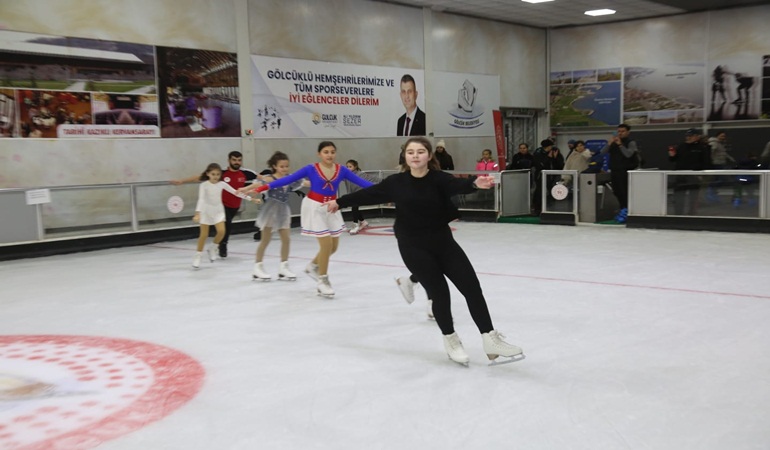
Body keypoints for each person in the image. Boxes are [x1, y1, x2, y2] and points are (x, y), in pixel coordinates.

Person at [325, 136, 524, 366]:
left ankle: (490, 338)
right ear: (405, 156)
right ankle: (451, 339)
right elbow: (368, 194)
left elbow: (458, 184)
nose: (415, 156)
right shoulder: (396, 183)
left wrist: (475, 183)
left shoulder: (438, 179)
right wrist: (340, 202)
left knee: (471, 287)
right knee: (440, 292)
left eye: (420, 152)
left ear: (429, 156)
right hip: (412, 245)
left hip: (442, 241)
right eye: (411, 152)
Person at [244, 141, 373, 298]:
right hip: (314, 207)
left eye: (332, 152)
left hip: (332, 206)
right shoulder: (311, 169)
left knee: (333, 247)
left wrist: (389, 190)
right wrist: (261, 188)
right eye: (326, 152)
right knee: (326, 245)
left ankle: (313, 266)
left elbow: (365, 184)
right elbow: (285, 180)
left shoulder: (341, 170)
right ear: (319, 154)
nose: (329, 155)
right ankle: (323, 281)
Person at [171, 151, 258, 257]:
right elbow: (199, 177)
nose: (236, 162)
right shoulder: (221, 173)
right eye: (234, 160)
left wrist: (254, 191)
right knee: (227, 225)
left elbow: (261, 178)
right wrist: (182, 181)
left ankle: (218, 244)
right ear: (229, 160)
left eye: (239, 160)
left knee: (226, 227)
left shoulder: (246, 173)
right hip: (222, 205)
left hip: (235, 206)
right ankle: (221, 246)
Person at [241, 152, 306, 281]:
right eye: (282, 166)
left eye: (287, 166)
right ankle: (257, 267)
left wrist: (319, 183)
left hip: (283, 211)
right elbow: (257, 185)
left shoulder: (290, 178)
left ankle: (284, 267)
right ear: (275, 166)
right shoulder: (270, 178)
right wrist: (245, 189)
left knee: (286, 239)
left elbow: (305, 183)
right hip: (271, 210)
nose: (285, 169)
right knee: (265, 240)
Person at [192, 163, 257, 269]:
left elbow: (235, 192)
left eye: (218, 174)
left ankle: (213, 247)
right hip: (206, 212)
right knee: (203, 235)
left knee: (222, 231)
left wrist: (251, 199)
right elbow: (201, 199)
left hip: (218, 211)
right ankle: (198, 255)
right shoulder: (203, 185)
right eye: (213, 174)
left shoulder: (222, 184)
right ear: (208, 174)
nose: (216, 176)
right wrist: (197, 213)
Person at [600, 124, 640, 223]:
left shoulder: (631, 142)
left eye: (623, 131)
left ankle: (626, 210)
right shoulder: (613, 142)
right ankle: (623, 209)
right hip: (614, 170)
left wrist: (620, 145)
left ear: (628, 132)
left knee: (624, 192)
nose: (620, 133)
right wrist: (609, 143)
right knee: (617, 191)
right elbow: (602, 152)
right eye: (619, 131)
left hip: (625, 171)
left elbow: (628, 154)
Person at [668, 128, 712, 215]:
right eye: (687, 136)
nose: (688, 138)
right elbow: (673, 159)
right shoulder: (681, 146)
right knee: (679, 197)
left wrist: (702, 174)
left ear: (697, 137)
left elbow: (706, 162)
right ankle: (678, 214)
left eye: (691, 136)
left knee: (693, 197)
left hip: (694, 175)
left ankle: (692, 214)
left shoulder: (702, 147)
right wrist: (672, 155)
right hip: (680, 175)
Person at [344, 159, 379, 235]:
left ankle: (355, 224)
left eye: (350, 166)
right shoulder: (346, 175)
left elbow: (371, 179)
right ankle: (363, 222)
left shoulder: (360, 174)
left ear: (355, 167)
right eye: (347, 167)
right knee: (355, 207)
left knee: (354, 207)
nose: (348, 168)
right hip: (352, 194)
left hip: (360, 194)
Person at [531, 139, 564, 214]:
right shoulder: (538, 153)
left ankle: (551, 208)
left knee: (553, 191)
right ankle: (537, 209)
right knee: (539, 192)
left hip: (553, 176)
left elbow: (560, 165)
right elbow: (539, 165)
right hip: (541, 176)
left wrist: (555, 158)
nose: (550, 148)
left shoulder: (555, 151)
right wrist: (548, 158)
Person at [706, 130, 735, 202]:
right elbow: (711, 152)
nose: (723, 137)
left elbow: (723, 153)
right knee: (721, 179)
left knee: (719, 179)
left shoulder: (720, 144)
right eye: (722, 136)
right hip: (716, 164)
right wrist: (710, 161)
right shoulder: (714, 143)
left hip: (721, 164)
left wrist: (731, 159)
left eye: (724, 136)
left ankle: (713, 193)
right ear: (717, 136)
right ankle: (711, 191)